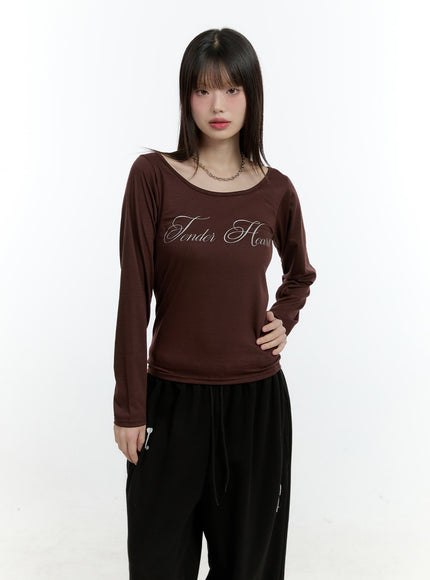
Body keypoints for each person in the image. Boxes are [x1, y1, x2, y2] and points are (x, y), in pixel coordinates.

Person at [113, 27, 317, 580]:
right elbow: (133, 297)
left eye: (231, 89)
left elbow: (300, 273)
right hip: (170, 404)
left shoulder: (276, 189)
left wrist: (285, 317)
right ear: (186, 97)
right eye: (203, 90)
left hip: (255, 405)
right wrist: (130, 407)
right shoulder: (152, 177)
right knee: (158, 564)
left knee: (250, 568)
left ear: (252, 96)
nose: (217, 105)